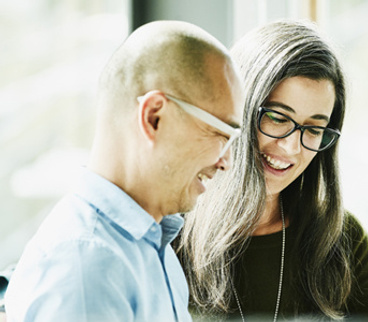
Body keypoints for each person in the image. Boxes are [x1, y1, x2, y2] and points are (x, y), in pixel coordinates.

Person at [5, 20, 244, 321]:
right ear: (154, 117)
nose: (227, 161)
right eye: (221, 134)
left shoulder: (151, 247)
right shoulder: (86, 270)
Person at [177, 20, 368, 321]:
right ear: (236, 107)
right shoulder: (169, 235)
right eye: (278, 118)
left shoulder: (342, 240)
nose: (293, 147)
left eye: (314, 128)